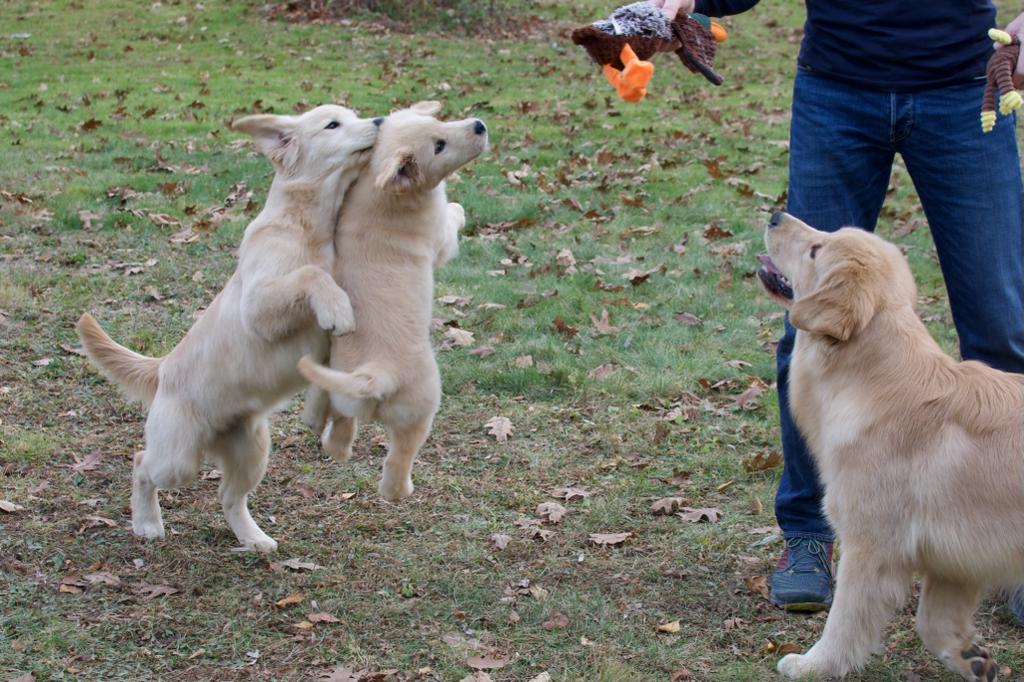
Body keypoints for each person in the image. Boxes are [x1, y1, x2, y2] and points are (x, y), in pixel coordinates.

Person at [650, 0, 1024, 620]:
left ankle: (1011, 540)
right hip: (837, 90)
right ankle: (808, 533)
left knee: (1003, 329)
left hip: (963, 88)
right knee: (811, 324)